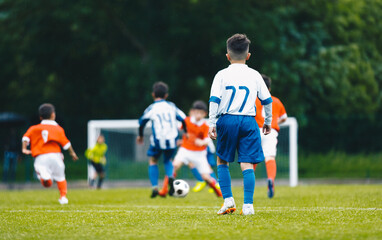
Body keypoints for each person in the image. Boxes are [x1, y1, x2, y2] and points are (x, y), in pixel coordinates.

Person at [208, 34, 273, 215]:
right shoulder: (254, 75)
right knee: (247, 163)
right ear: (248, 55)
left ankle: (228, 201)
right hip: (248, 120)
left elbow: (214, 100)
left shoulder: (221, 74)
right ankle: (248, 206)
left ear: (227, 56)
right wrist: (268, 121)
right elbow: (267, 100)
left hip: (227, 119)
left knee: (222, 160)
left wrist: (211, 123)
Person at [159, 100, 222, 197]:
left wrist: (201, 142)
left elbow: (207, 139)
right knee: (174, 166)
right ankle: (164, 190)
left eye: (201, 113)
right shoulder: (187, 121)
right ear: (192, 112)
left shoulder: (205, 125)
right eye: (196, 112)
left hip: (199, 154)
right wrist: (178, 140)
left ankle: (219, 193)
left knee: (206, 176)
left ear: (204, 114)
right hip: (185, 150)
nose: (198, 115)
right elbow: (180, 130)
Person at [137, 81, 187, 198]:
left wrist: (140, 135)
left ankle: (155, 187)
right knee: (168, 160)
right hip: (172, 139)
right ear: (166, 95)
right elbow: (184, 119)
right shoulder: (171, 106)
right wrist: (185, 132)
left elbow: (142, 122)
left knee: (153, 161)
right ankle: (170, 176)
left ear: (153, 94)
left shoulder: (152, 108)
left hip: (158, 140)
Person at [21, 103, 79, 204]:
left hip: (41, 156)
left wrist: (24, 149)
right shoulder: (58, 129)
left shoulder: (34, 128)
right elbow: (66, 144)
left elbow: (25, 138)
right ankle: (63, 197)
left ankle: (46, 177)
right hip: (56, 156)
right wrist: (72, 153)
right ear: (53, 114)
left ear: (40, 117)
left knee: (44, 176)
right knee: (61, 177)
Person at [254, 74, 287, 198]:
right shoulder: (276, 101)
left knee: (252, 158)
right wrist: (274, 122)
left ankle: (249, 183)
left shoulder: (253, 99)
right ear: (269, 89)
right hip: (271, 131)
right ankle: (270, 179)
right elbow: (284, 118)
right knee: (270, 157)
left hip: (256, 130)